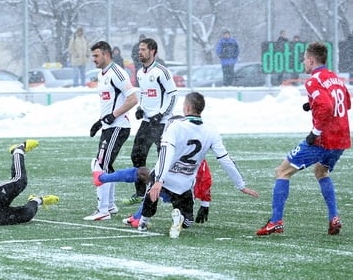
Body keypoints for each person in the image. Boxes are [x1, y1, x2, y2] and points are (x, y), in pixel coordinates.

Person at [256, 42, 351, 236]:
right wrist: (312, 104)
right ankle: (334, 217)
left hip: (324, 138)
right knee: (321, 171)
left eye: (304, 59)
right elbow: (346, 103)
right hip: (342, 138)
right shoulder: (336, 79)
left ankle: (276, 222)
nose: (303, 63)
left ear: (311, 59)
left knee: (282, 171)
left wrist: (315, 133)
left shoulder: (313, 81)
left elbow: (326, 106)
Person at [139, 92, 259, 237]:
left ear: (188, 108)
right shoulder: (211, 131)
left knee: (150, 200)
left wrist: (159, 180)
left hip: (164, 178)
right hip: (184, 183)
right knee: (188, 222)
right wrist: (241, 185)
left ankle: (144, 221)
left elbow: (165, 153)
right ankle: (181, 218)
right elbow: (225, 159)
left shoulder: (175, 125)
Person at [85, 41, 139, 221]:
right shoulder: (102, 74)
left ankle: (103, 211)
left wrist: (112, 116)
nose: (93, 59)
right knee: (106, 165)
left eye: (96, 56)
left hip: (118, 126)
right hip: (109, 127)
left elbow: (133, 98)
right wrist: (100, 122)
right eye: (93, 56)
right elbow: (110, 102)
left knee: (99, 165)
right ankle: (110, 205)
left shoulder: (117, 73)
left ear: (106, 55)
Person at [124, 38, 177, 205]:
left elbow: (173, 95)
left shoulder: (162, 72)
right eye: (139, 49)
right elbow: (146, 94)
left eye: (143, 49)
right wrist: (140, 108)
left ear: (152, 51)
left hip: (162, 124)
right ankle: (141, 192)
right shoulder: (140, 73)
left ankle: (172, 193)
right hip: (147, 123)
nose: (139, 52)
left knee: (166, 159)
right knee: (137, 156)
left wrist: (160, 114)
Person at [92, 157, 213, 228]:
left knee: (150, 181)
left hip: (178, 191)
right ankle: (140, 218)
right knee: (149, 178)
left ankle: (140, 219)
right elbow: (205, 179)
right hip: (181, 192)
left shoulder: (174, 147)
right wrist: (205, 204)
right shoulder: (196, 151)